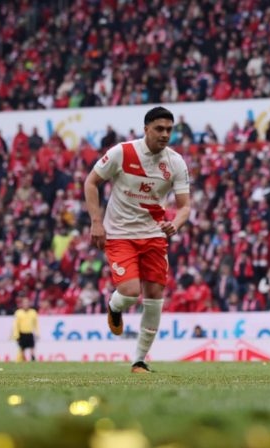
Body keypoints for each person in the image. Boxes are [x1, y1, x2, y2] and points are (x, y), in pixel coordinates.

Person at [84, 106, 191, 374]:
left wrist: (174, 224)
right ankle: (114, 305)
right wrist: (96, 222)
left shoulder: (176, 162)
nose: (165, 134)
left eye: (169, 129)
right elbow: (91, 182)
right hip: (120, 234)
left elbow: (185, 206)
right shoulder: (123, 152)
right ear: (146, 129)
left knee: (155, 296)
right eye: (159, 129)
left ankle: (139, 361)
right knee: (131, 293)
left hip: (154, 236)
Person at [12, 297, 39, 362]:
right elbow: (16, 325)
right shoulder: (18, 312)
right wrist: (16, 335)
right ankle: (24, 361)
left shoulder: (33, 312)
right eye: (24, 303)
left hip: (29, 333)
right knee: (22, 349)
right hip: (22, 333)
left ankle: (33, 359)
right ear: (22, 304)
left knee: (32, 347)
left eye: (27, 302)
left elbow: (36, 324)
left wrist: (37, 333)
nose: (26, 304)